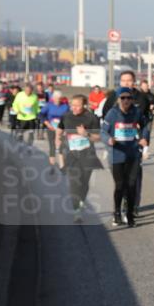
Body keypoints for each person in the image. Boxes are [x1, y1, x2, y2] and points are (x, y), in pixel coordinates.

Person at [101, 87, 150, 227]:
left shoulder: (136, 112)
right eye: (123, 98)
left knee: (132, 185)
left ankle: (129, 215)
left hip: (133, 154)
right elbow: (104, 131)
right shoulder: (112, 113)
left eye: (129, 98)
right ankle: (116, 213)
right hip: (117, 154)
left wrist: (143, 137)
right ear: (118, 99)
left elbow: (145, 124)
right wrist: (109, 140)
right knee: (120, 185)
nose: (126, 100)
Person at [56, 94, 103, 222]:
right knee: (74, 184)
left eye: (78, 105)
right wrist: (57, 147)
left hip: (87, 155)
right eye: (73, 105)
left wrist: (86, 134)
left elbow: (98, 137)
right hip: (71, 156)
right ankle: (77, 210)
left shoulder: (91, 117)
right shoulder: (66, 116)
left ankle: (81, 201)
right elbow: (59, 131)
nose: (75, 108)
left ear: (84, 105)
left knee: (84, 184)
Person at [41, 90, 69, 168]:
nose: (58, 99)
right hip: (51, 128)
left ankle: (62, 166)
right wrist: (47, 124)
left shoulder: (65, 106)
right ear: (53, 98)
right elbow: (41, 115)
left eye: (60, 98)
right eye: (56, 98)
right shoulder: (49, 105)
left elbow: (69, 116)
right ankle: (52, 166)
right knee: (52, 146)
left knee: (61, 146)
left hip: (61, 129)